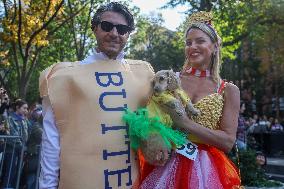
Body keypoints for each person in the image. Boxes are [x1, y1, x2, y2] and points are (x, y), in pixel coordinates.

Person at [38, 2, 154, 189]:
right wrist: (47, 186)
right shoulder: (63, 76)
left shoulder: (145, 75)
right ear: (95, 28)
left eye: (122, 29)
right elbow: (51, 140)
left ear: (128, 34)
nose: (114, 33)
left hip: (129, 182)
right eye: (107, 26)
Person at [138, 11, 241, 188]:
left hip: (208, 170)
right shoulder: (167, 80)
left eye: (200, 41)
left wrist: (185, 122)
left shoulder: (228, 90)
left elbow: (227, 142)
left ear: (215, 46)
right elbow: (147, 117)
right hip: (165, 166)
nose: (192, 47)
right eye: (188, 43)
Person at [2, 99, 29, 189]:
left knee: (17, 174)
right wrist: (23, 147)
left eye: (27, 108)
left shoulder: (24, 120)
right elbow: (13, 136)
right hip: (11, 151)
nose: (26, 110)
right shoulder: (9, 119)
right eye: (24, 108)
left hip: (21, 151)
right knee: (9, 173)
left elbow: (26, 135)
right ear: (17, 108)